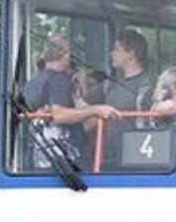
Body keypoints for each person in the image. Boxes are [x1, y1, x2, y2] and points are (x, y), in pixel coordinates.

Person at [21, 36, 118, 169]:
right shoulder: (60, 80)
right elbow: (59, 115)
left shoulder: (32, 83)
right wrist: (96, 110)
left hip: (38, 162)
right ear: (65, 54)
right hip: (67, 165)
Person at [102, 28, 155, 163]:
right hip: (109, 158)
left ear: (132, 54)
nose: (111, 53)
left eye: (117, 49)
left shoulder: (149, 85)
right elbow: (85, 106)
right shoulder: (110, 85)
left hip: (138, 158)